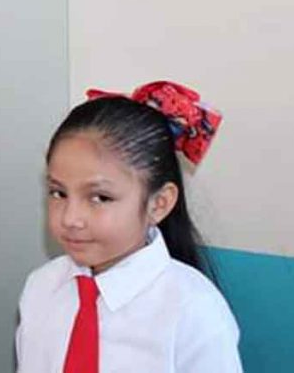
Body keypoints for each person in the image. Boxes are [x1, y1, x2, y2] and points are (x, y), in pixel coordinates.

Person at [15, 81, 242, 372]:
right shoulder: (41, 288)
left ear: (159, 204)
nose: (70, 218)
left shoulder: (194, 312)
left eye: (100, 197)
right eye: (59, 193)